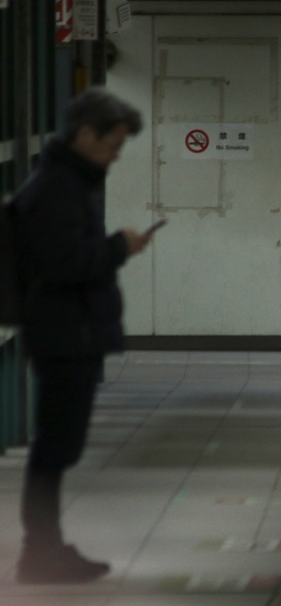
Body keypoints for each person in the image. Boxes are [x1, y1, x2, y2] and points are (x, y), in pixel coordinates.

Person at [12, 88, 154, 584]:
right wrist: (119, 246)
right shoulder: (57, 187)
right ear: (85, 133)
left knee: (59, 448)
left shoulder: (67, 182)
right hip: (63, 334)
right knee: (55, 449)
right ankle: (39, 553)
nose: (115, 156)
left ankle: (46, 547)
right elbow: (64, 263)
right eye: (112, 145)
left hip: (70, 332)